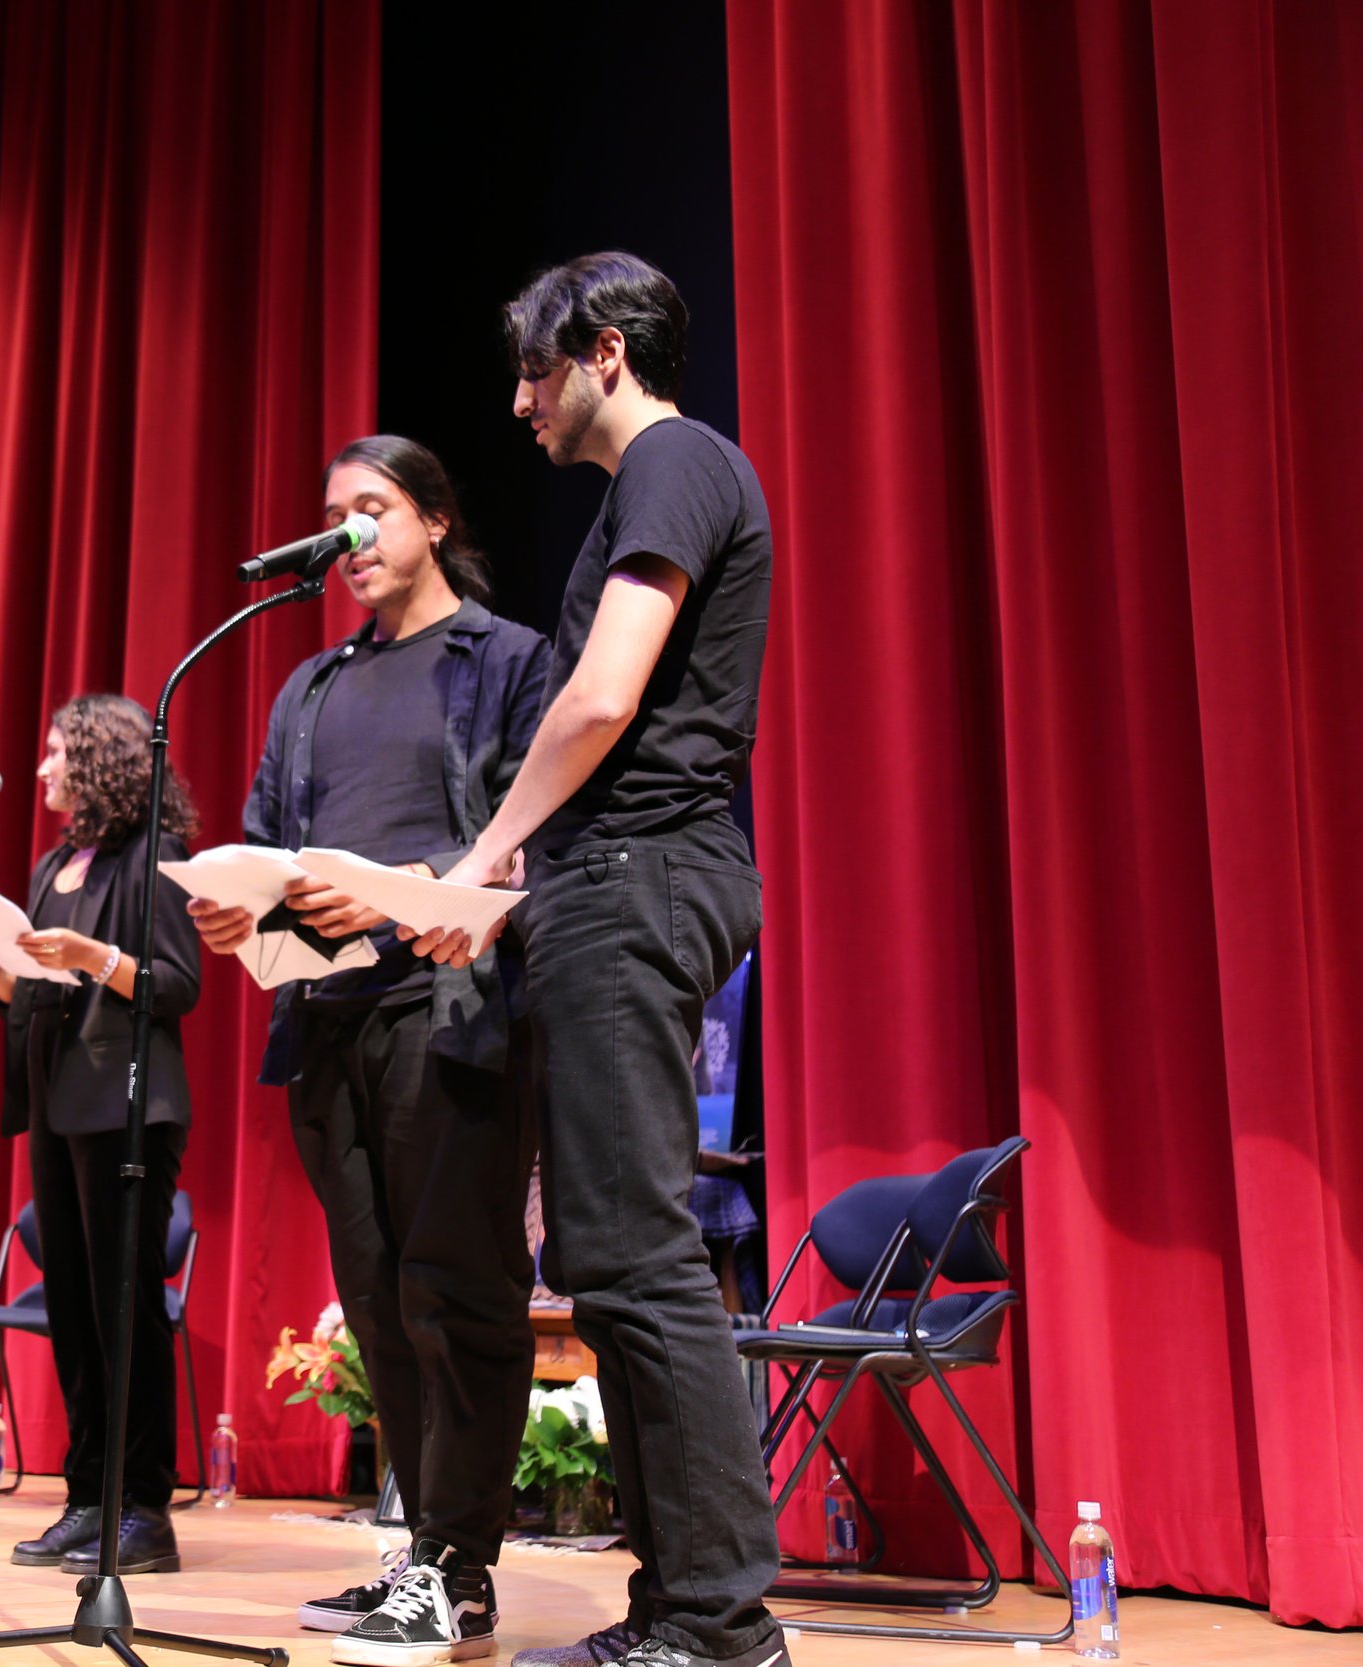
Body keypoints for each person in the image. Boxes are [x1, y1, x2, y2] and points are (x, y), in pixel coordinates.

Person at [413, 252, 784, 1667]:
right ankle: (677, 1607)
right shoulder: (660, 480)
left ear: (606, 352)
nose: (519, 399)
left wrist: (488, 852)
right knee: (615, 1254)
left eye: (535, 368)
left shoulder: (677, 463)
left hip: (638, 879)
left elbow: (606, 691)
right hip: (611, 883)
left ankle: (719, 1626)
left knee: (636, 1257)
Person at [188, 435, 551, 1666]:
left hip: (448, 1009)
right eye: (335, 516)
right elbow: (264, 838)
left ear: (435, 519)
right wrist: (239, 906)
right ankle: (423, 1556)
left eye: (372, 509)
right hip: (326, 1020)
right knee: (382, 1298)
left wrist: (409, 889)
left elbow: (528, 827)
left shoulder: (504, 660)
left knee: (459, 1286)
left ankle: (461, 1566)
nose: (349, 536)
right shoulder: (311, 687)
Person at [0, 694, 202, 1576]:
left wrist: (93, 956)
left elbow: (176, 985)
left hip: (127, 1105)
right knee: (72, 1310)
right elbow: (39, 991)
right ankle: (87, 1497)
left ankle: (145, 1509)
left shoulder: (156, 856)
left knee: (123, 1307)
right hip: (57, 1106)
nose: (43, 768)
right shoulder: (55, 861)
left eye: (57, 752)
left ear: (100, 760)